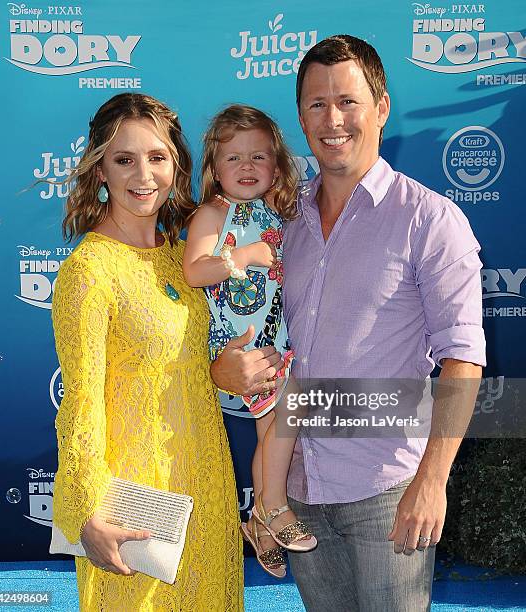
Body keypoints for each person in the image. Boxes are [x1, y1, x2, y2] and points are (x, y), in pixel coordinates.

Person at [211, 35, 486, 611]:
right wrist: (225, 368)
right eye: (316, 104)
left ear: (381, 108)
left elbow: (464, 358)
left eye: (348, 102)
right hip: (302, 490)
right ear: (300, 116)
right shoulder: (281, 223)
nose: (332, 119)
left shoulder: (430, 221)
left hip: (386, 491)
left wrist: (431, 481)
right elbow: (240, 318)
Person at [51, 93, 243, 611]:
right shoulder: (88, 271)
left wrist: (222, 372)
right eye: (124, 159)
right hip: (134, 504)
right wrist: (87, 512)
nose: (144, 174)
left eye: (157, 157)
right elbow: (81, 402)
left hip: (205, 479)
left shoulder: (185, 258)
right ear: (100, 172)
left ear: (176, 167)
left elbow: (179, 366)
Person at [183, 105, 316, 579]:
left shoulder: (276, 214)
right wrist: (244, 254)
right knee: (281, 424)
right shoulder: (211, 214)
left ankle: (260, 522)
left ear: (277, 167)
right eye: (233, 158)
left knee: (275, 431)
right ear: (214, 169)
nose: (246, 167)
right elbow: (195, 270)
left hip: (273, 340)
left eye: (258, 158)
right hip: (239, 346)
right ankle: (273, 511)